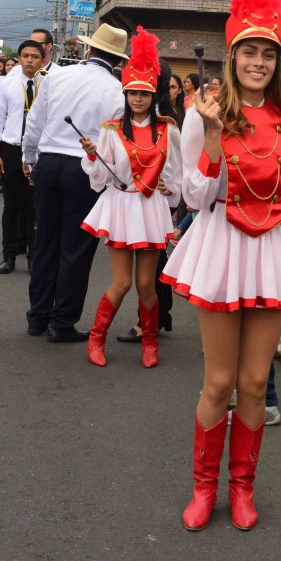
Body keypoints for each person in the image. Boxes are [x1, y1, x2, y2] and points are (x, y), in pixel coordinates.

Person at [161, 0, 281, 531]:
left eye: (268, 53)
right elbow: (194, 194)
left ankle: (243, 489)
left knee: (256, 384)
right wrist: (212, 133)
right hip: (221, 246)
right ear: (232, 55)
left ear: (277, 60)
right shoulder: (203, 112)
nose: (258, 63)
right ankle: (203, 489)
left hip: (268, 254)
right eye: (249, 52)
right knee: (218, 382)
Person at [79, 28, 182, 368]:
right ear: (125, 94)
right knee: (121, 283)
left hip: (150, 209)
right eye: (132, 93)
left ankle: (150, 342)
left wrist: (170, 189)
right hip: (120, 206)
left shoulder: (169, 129)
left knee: (145, 285)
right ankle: (96, 339)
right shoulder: (110, 129)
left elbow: (177, 173)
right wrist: (94, 155)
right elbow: (100, 179)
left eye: (144, 94)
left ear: (154, 95)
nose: (138, 99)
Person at [22, 23, 126, 341]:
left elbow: (35, 120)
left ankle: (37, 316)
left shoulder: (57, 76)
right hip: (86, 168)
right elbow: (114, 143)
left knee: (45, 242)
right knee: (76, 248)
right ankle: (62, 321)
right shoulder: (116, 90)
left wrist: (29, 156)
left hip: (49, 161)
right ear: (117, 60)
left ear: (89, 50)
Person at [0, 39, 46, 275]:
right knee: (11, 206)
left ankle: (34, 258)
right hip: (11, 149)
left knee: (36, 209)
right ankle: (8, 256)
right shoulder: (8, 85)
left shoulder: (49, 85)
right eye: (25, 56)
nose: (29, 60)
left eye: (34, 56)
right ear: (20, 58)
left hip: (39, 152)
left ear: (42, 59)